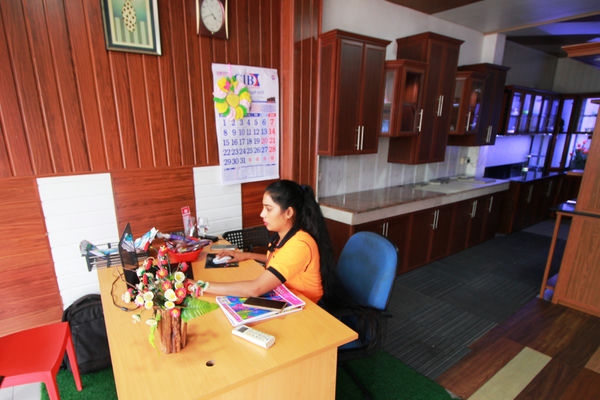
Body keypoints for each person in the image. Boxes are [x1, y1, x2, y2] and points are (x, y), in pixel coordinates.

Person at [203, 180, 339, 305]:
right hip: (289, 296)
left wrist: (200, 285)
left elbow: (255, 288)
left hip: (311, 309)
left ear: (289, 212)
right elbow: (279, 261)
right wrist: (246, 255)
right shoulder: (280, 236)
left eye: (268, 209)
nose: (262, 214)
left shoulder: (300, 244)